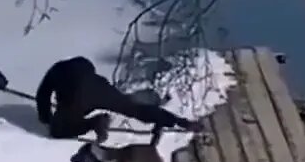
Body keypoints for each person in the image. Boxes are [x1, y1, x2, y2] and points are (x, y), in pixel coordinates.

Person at [34, 56, 201, 141]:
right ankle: (181, 122)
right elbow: (138, 110)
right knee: (133, 108)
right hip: (98, 90)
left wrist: (47, 118)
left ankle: (95, 122)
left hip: (74, 97)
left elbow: (42, 95)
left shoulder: (56, 70)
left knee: (59, 131)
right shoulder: (95, 79)